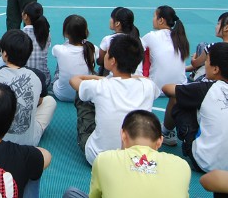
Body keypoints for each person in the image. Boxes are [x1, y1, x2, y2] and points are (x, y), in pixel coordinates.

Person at [163, 42, 228, 172]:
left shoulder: (205, 89)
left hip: (206, 163)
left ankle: (166, 132)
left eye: (206, 61)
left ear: (215, 69)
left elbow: (167, 89)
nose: (205, 65)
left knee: (179, 98)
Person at [70, 34, 160, 166]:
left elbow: (74, 81)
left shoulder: (101, 86)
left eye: (107, 53)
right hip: (136, 159)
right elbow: (146, 80)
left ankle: (88, 131)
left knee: (82, 94)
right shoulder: (148, 86)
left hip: (99, 157)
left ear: (113, 61)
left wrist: (98, 78)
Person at [62, 110, 191, 198]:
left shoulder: (105, 159)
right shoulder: (182, 165)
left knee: (72, 194)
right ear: (160, 141)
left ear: (123, 135)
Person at [0, 30, 57, 147]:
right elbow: (39, 101)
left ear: (5, 54)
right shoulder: (38, 75)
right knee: (50, 101)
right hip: (28, 142)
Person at [141, 5, 190, 91]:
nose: (153, 19)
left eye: (154, 16)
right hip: (180, 88)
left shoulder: (151, 36)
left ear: (161, 20)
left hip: (156, 88)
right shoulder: (180, 38)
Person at [52, 15, 96, 102]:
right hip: (84, 95)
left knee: (60, 63)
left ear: (65, 33)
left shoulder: (59, 49)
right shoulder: (93, 48)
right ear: (86, 32)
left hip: (62, 94)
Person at [97, 7, 141, 76]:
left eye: (111, 18)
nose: (110, 20)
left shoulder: (108, 39)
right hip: (137, 75)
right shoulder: (138, 40)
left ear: (117, 23)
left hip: (116, 76)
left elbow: (100, 61)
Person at [22, 2, 52, 87]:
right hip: (44, 81)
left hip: (23, 81)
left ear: (25, 16)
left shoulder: (20, 34)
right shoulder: (47, 34)